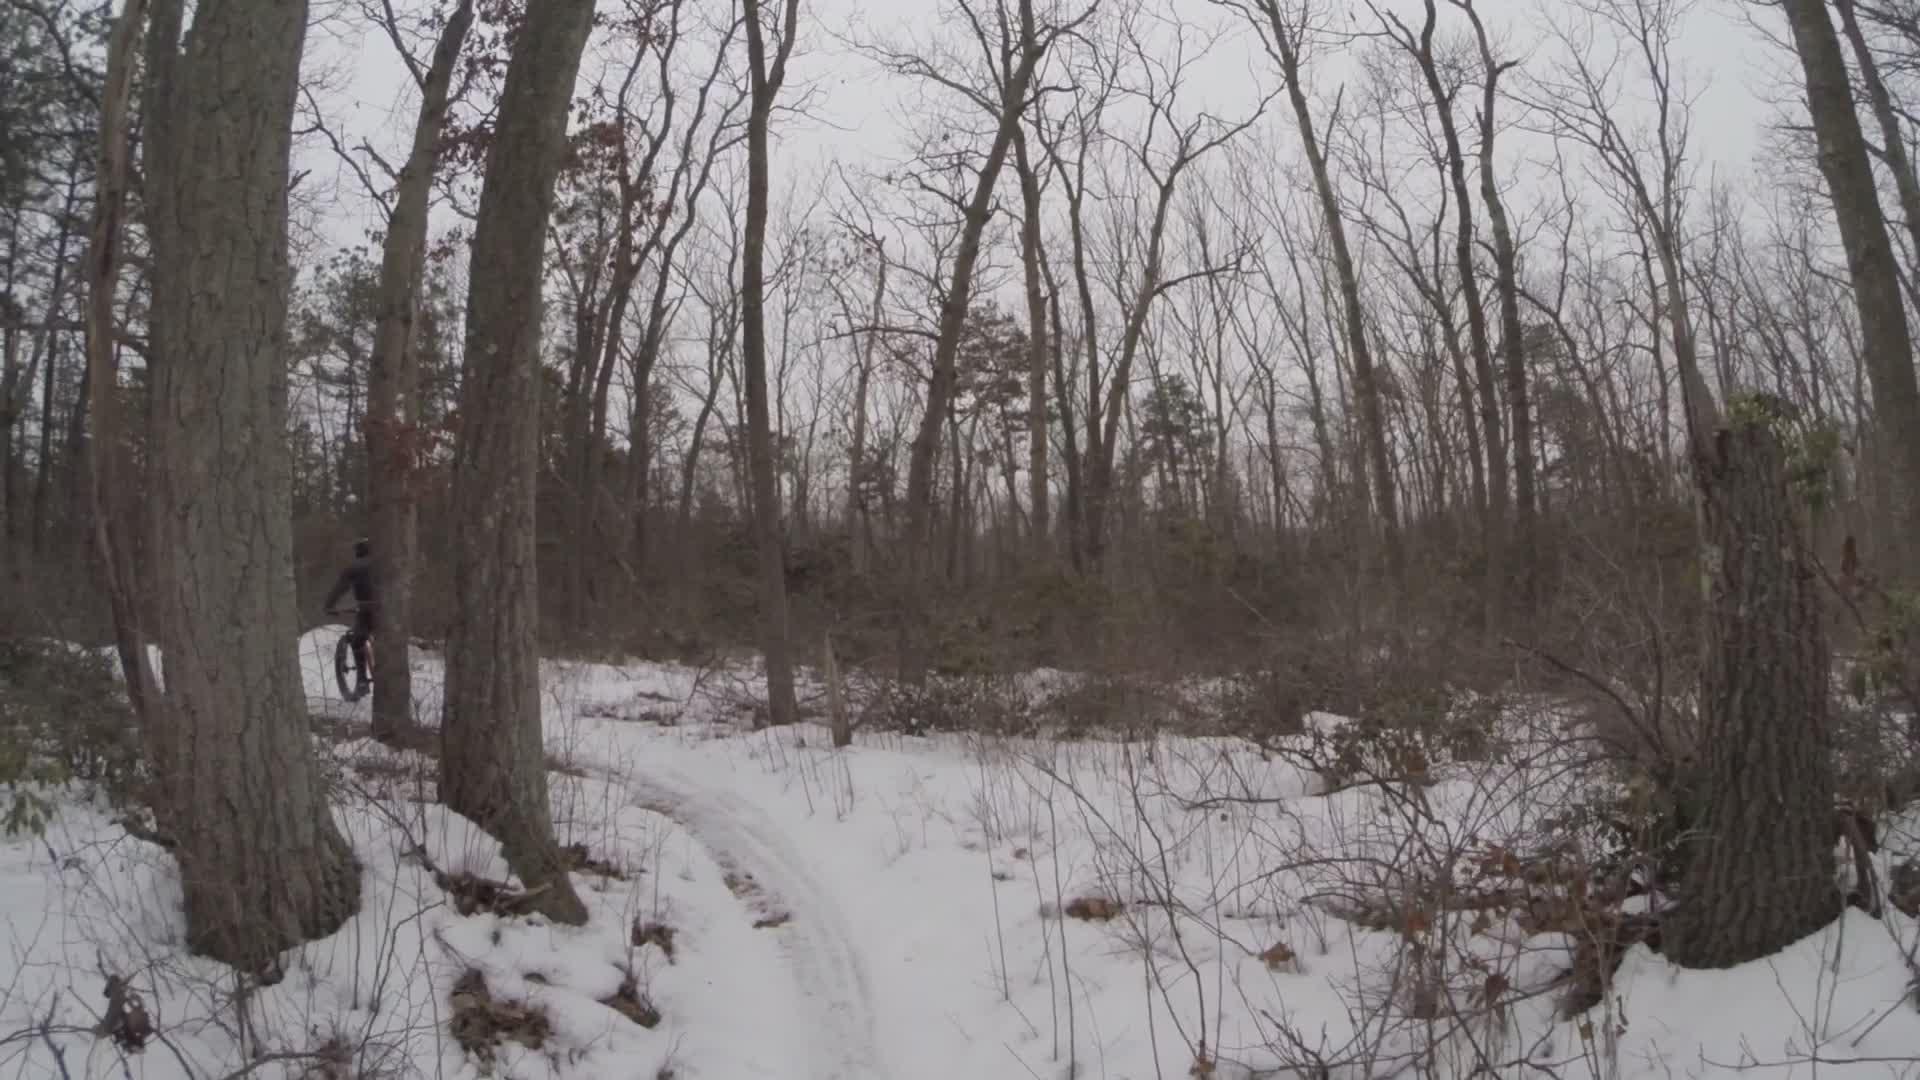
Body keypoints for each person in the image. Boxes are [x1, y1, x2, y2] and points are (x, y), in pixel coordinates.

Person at [324, 538, 376, 693]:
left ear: (357, 552)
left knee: (358, 641)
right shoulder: (385, 565)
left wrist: (329, 606)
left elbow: (339, 589)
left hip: (366, 608)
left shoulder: (353, 568)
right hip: (388, 609)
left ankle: (361, 681)